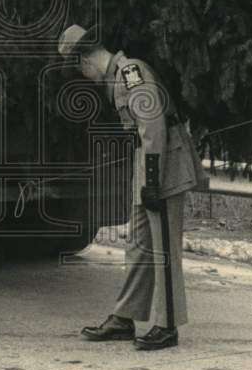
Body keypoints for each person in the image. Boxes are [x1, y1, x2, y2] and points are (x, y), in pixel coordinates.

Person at [57, 23, 206, 351]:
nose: (86, 78)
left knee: (164, 249)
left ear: (85, 60)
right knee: (139, 245)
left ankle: (167, 325)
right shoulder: (120, 77)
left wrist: (151, 182)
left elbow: (153, 130)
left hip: (163, 166)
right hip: (148, 162)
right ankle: (125, 317)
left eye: (80, 71)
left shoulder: (130, 74)